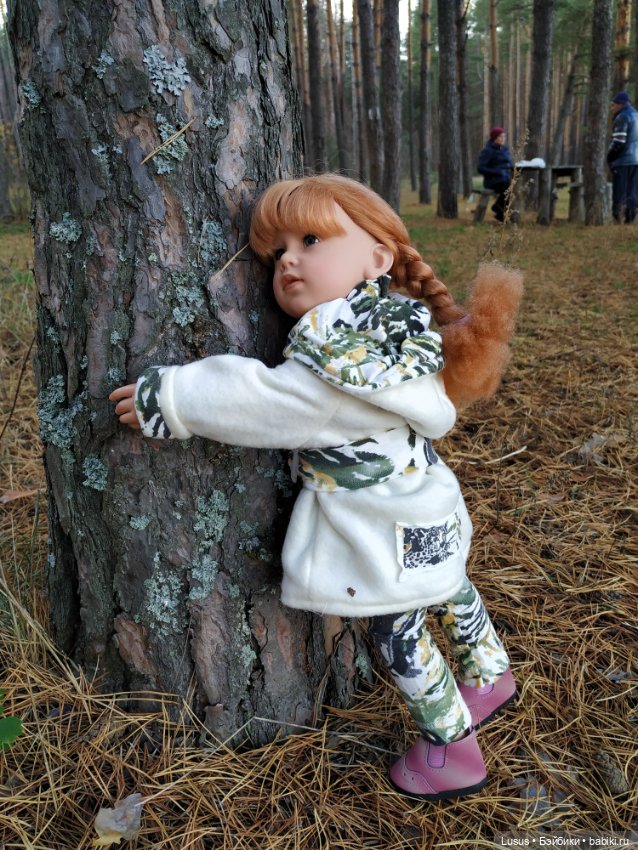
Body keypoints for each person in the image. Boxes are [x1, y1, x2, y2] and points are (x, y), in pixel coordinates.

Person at [110, 174, 523, 801]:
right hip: (428, 502)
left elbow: (267, 400)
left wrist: (172, 396)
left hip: (376, 525)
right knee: (447, 585)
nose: (290, 260)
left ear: (378, 258)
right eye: (278, 254)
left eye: (309, 239)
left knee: (397, 628)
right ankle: (489, 671)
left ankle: (452, 747)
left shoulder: (338, 357)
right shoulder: (399, 332)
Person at [607, 91, 638, 224]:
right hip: (636, 159)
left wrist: (610, 157)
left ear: (621, 104)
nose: (612, 108)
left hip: (623, 160)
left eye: (614, 105)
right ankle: (630, 218)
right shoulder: (636, 115)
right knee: (632, 190)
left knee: (620, 192)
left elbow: (619, 141)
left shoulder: (623, 117)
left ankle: (619, 218)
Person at [477, 128, 514, 223]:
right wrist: (497, 171)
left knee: (514, 186)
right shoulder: (487, 151)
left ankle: (499, 212)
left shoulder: (505, 150)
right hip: (492, 181)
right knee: (508, 185)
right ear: (494, 138)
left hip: (505, 179)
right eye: (500, 136)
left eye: (504, 136)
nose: (503, 138)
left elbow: (509, 164)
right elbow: (480, 168)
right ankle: (499, 210)